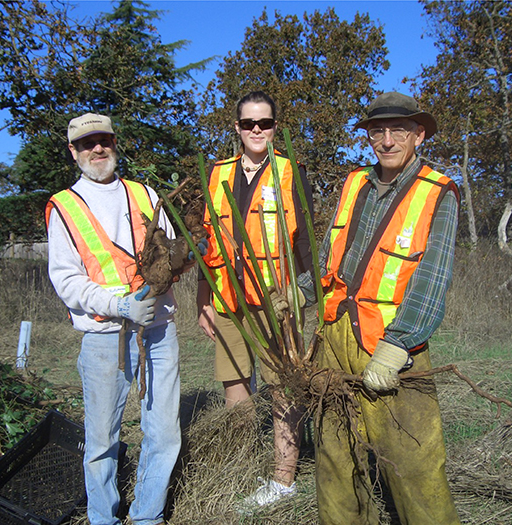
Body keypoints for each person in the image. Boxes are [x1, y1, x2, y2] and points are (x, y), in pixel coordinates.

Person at [295, 92, 461, 524]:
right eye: (377, 131)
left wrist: (398, 343)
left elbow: (432, 277)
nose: (386, 141)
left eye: (398, 131)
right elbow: (339, 255)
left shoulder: (437, 192)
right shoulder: (356, 184)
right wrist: (301, 291)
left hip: (391, 346)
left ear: (418, 135)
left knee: (413, 462)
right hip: (335, 336)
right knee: (335, 454)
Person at [46, 113, 182, 525]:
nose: (97, 149)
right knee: (102, 439)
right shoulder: (64, 206)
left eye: (104, 140)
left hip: (159, 331)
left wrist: (173, 265)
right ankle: (103, 517)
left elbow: (172, 249)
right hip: (104, 337)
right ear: (74, 152)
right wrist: (119, 305)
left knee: (163, 432)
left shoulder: (145, 193)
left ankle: (147, 515)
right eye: (87, 144)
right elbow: (66, 279)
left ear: (114, 142)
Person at [196, 91, 313, 510]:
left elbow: (305, 245)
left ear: (275, 126)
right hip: (228, 301)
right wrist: (202, 298)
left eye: (264, 123)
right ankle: (240, 465)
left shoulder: (289, 172)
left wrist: (303, 298)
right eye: (249, 124)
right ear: (237, 128)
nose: (257, 130)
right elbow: (208, 244)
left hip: (275, 302)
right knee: (234, 384)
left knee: (283, 386)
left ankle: (283, 480)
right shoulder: (217, 173)